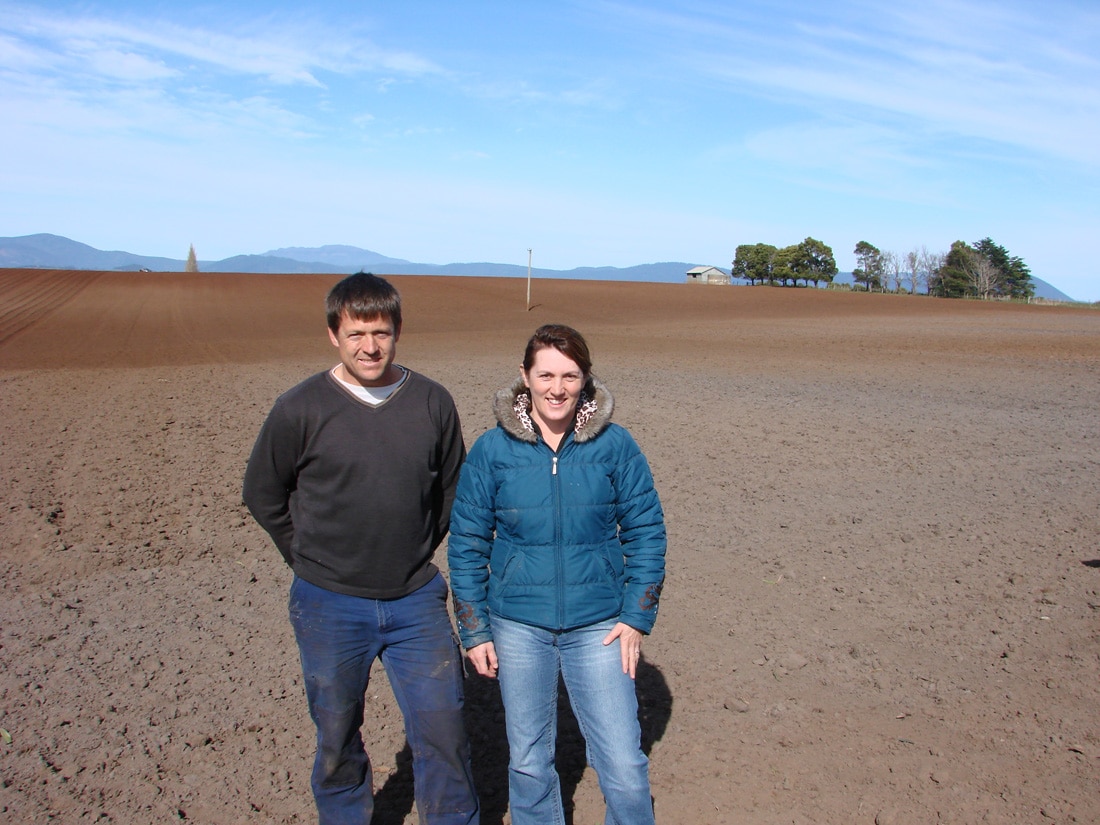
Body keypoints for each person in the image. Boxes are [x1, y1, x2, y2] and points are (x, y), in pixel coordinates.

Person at [242, 272, 479, 825]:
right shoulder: (300, 408)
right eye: (355, 334)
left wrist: (415, 547)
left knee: (443, 728)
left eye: (380, 333)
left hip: (414, 600)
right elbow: (262, 492)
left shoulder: (431, 401)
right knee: (336, 733)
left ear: (397, 332)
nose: (369, 347)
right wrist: (306, 556)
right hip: (328, 603)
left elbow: (453, 489)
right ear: (334, 335)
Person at [448, 323, 666, 825]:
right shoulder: (492, 451)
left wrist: (636, 617)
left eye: (570, 375)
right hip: (518, 626)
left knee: (624, 764)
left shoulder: (615, 446)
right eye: (545, 375)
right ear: (524, 376)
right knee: (529, 763)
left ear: (585, 379)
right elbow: (467, 544)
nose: (557, 388)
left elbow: (647, 533)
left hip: (600, 626)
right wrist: (474, 629)